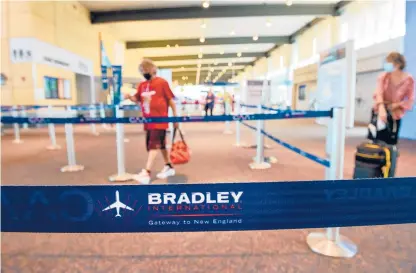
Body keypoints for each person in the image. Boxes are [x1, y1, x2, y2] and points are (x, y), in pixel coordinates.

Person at [126, 59, 178, 184]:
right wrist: (129, 97)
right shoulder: (142, 85)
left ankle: (146, 172)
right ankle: (169, 166)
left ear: (152, 69)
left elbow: (170, 100)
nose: (144, 72)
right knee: (160, 144)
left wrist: (176, 118)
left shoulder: (162, 83)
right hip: (148, 120)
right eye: (142, 70)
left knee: (153, 145)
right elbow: (137, 99)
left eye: (146, 70)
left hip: (159, 120)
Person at [371, 52, 415, 144]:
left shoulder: (408, 79)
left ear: (398, 64)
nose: (386, 65)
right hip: (380, 110)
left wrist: (397, 105)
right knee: (377, 140)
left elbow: (410, 99)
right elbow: (379, 93)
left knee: (391, 141)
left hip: (395, 113)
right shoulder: (383, 76)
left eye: (389, 62)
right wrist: (381, 108)